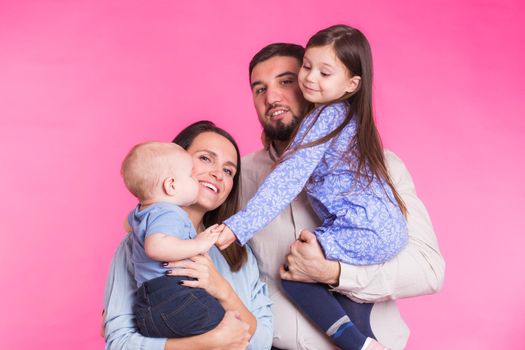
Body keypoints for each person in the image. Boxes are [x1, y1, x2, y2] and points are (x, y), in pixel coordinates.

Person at [230, 39, 445, 349]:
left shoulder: (379, 165)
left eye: (286, 81)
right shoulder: (239, 175)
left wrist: (333, 273)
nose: (272, 97)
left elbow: (428, 271)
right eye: (259, 88)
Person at [103, 121, 273, 349]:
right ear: (172, 164)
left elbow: (262, 342)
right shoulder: (135, 247)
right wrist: (206, 343)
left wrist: (222, 289)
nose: (217, 174)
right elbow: (119, 343)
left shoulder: (239, 254)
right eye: (205, 158)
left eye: (228, 170)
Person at [120, 141, 226, 338]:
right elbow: (155, 247)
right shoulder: (168, 212)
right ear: (171, 185)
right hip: (172, 295)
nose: (195, 181)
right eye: (190, 176)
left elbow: (127, 226)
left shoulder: (141, 212)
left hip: (147, 305)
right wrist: (198, 244)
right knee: (223, 322)